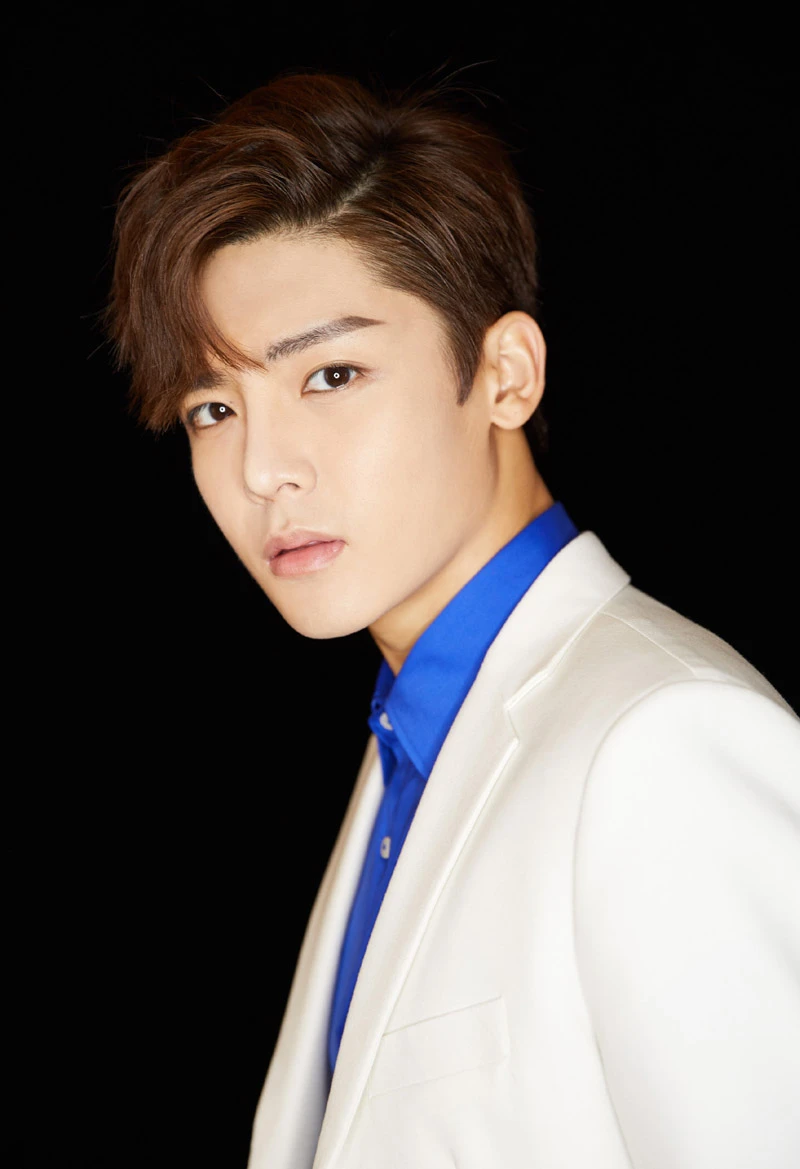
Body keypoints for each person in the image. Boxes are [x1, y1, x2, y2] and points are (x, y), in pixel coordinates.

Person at [106, 72, 800, 1169]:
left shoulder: (663, 739)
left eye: (331, 374)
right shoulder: (413, 736)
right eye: (214, 407)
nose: (262, 467)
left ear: (505, 374)